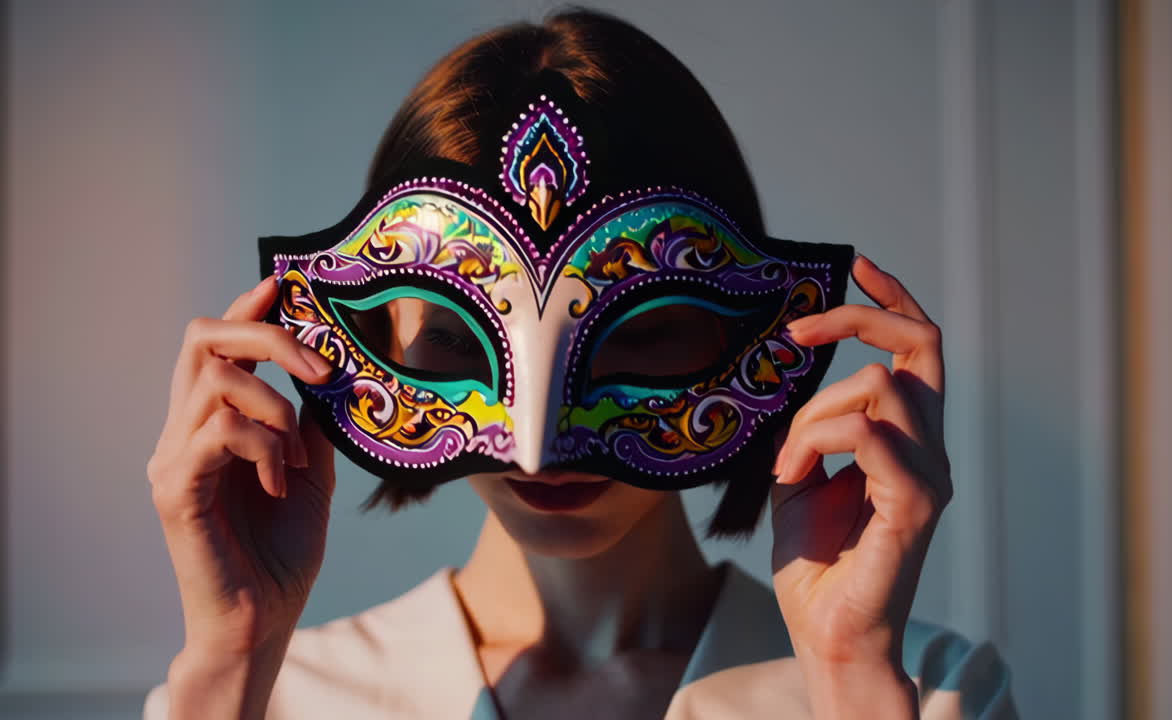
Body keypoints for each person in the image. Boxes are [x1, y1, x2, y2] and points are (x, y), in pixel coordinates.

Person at [142, 7, 1016, 719]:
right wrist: (231, 664)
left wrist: (848, 677)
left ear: (754, 330)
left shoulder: (931, 695)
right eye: (453, 337)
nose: (539, 446)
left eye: (636, 337)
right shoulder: (272, 701)